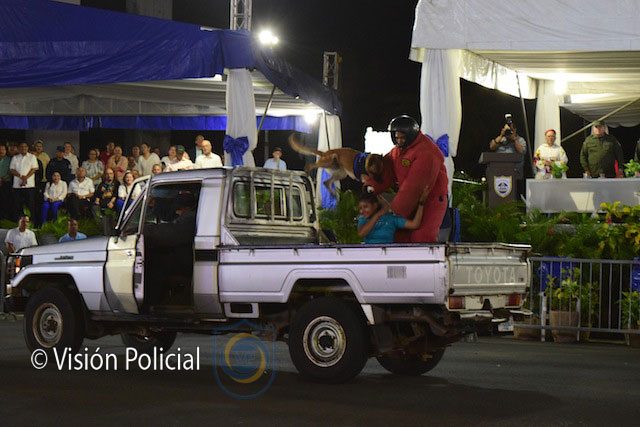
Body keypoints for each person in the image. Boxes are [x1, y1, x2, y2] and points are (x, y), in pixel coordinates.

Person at [363, 115, 448, 243]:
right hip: (409, 202)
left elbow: (413, 188)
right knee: (398, 237)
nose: (399, 140)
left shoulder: (426, 152)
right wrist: (371, 187)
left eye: (402, 137)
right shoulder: (398, 151)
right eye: (396, 137)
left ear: (411, 135)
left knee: (421, 238)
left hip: (430, 201)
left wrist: (393, 215)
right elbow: (386, 170)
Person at [357, 191, 427, 244]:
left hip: (388, 253)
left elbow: (414, 224)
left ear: (375, 205)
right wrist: (378, 215)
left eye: (365, 207)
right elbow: (361, 233)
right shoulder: (363, 219)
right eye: (360, 208)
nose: (362, 211)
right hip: (369, 253)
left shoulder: (391, 218)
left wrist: (421, 204)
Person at [9, 142, 39, 223]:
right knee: (18, 205)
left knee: (30, 205)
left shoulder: (32, 157)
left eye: (25, 146)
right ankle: (19, 222)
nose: (23, 148)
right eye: (21, 146)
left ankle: (32, 222)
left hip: (29, 185)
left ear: (27, 148)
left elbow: (34, 169)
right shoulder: (15, 157)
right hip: (17, 186)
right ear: (19, 148)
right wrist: (21, 176)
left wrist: (26, 177)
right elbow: (12, 169)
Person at [0, 143, 13, 220]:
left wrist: (2, 179)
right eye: (0, 149)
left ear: (6, 150)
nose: (1, 151)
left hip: (6, 183)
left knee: (5, 200)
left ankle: (4, 216)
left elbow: (10, 172)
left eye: (3, 149)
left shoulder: (10, 160)